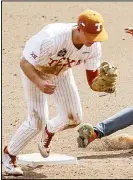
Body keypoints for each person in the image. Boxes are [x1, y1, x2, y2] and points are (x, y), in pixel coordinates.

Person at [2, 10, 111, 176]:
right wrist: (39, 82)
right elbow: (24, 63)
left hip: (61, 72)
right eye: (90, 35)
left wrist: (104, 86)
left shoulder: (94, 46)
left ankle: (49, 130)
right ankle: (9, 155)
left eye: (97, 35)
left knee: (74, 117)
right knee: (36, 121)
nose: (94, 40)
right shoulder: (52, 38)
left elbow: (92, 80)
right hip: (35, 70)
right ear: (79, 29)